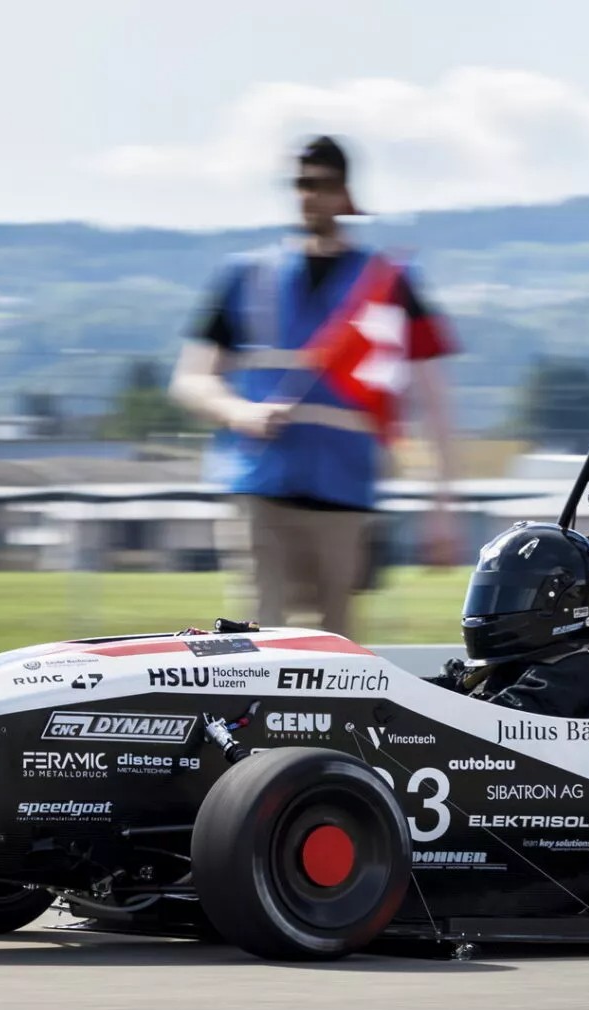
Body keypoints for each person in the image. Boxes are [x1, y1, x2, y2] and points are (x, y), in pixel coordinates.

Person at [170, 135, 460, 638]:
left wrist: (442, 508)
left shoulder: (383, 283)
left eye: (322, 185)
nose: (310, 196)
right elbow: (192, 379)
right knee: (260, 637)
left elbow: (432, 396)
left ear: (345, 194)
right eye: (301, 184)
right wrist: (240, 413)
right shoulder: (246, 276)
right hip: (260, 483)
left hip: (345, 490)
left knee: (336, 647)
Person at [431, 522, 589, 719]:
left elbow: (501, 722)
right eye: (488, 594)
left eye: (511, 596)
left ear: (564, 600)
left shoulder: (583, 670)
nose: (495, 605)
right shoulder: (512, 660)